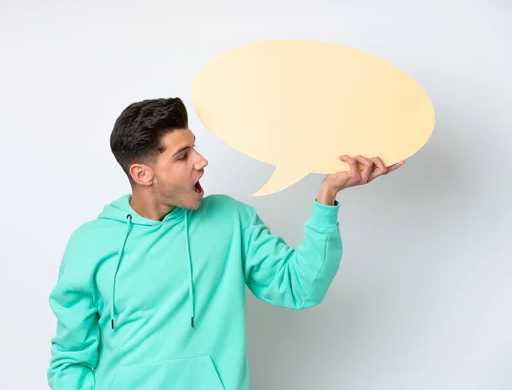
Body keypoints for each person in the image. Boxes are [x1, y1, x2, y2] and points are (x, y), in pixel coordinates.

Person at [46, 97, 404, 390]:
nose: (201, 162)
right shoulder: (90, 244)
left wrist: (328, 195)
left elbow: (300, 288)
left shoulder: (230, 221)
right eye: (182, 155)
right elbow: (69, 360)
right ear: (142, 174)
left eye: (195, 149)